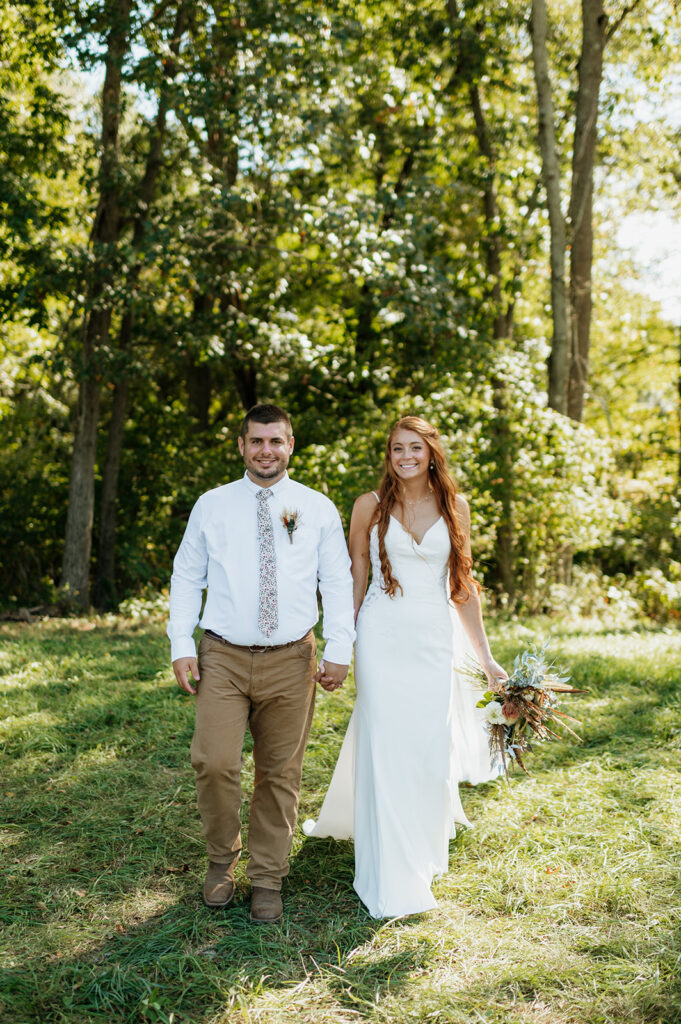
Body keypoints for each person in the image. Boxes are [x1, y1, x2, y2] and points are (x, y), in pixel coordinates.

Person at [303, 415, 507, 919]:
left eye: (415, 447)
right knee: (386, 739)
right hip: (381, 636)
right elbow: (355, 577)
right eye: (398, 448)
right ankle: (391, 865)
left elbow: (463, 588)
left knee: (427, 744)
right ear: (389, 455)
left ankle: (423, 842)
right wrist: (340, 647)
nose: (406, 456)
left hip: (434, 640)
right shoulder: (369, 507)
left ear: (431, 452)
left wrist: (486, 659)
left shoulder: (454, 506)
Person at [168, 404, 354, 923]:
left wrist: (340, 648)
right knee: (214, 760)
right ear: (242, 446)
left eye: (276, 441)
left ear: (290, 445)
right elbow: (187, 576)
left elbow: (336, 581)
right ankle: (221, 862)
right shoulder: (212, 504)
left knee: (280, 771)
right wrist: (181, 641)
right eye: (257, 441)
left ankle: (268, 876)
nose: (266, 450)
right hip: (222, 654)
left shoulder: (315, 507)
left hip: (293, 658)